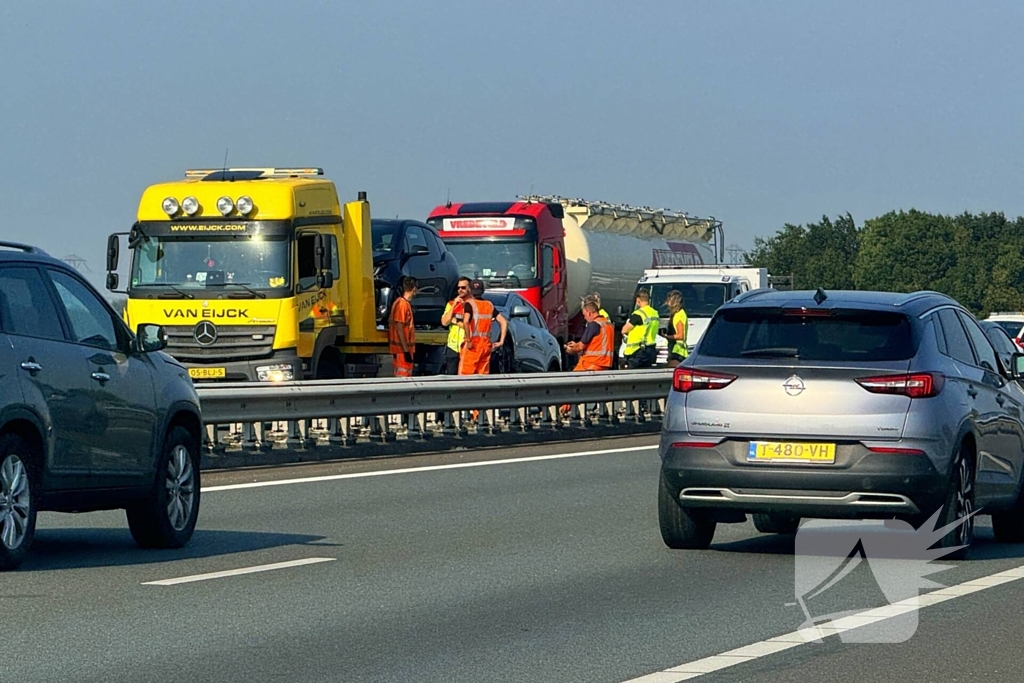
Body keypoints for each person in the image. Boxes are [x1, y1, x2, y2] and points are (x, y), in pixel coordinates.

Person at [457, 279, 508, 375]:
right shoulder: (489, 305)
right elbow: (503, 322)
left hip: (472, 345)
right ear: (483, 291)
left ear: (470, 290)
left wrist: (468, 340)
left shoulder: (469, 303)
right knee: (483, 376)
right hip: (485, 345)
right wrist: (501, 341)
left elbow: (466, 321)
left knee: (465, 376)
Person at [566, 302, 615, 372]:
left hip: (590, 364)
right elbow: (599, 343)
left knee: (572, 378)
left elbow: (581, 346)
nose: (584, 318)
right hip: (605, 364)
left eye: (584, 315)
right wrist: (576, 344)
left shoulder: (593, 324)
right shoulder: (608, 325)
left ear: (589, 313)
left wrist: (571, 349)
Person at [620, 288, 659, 369]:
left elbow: (624, 330)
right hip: (650, 350)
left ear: (638, 300)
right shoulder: (655, 313)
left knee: (632, 375)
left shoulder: (638, 314)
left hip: (637, 351)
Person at [440, 277, 471, 375]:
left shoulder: (473, 305)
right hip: (452, 347)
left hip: (466, 346)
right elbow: (444, 322)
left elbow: (471, 326)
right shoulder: (451, 304)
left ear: (469, 289)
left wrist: (456, 322)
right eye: (458, 288)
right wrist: (454, 306)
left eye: (463, 288)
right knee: (451, 376)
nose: (460, 290)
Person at [388, 276, 417, 378]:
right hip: (401, 351)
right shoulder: (402, 305)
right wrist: (406, 351)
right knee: (403, 376)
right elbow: (399, 328)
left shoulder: (401, 303)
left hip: (401, 350)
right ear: (414, 289)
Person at [662, 289, 689, 368]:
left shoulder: (679, 315)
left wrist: (666, 336)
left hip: (677, 351)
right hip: (675, 350)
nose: (667, 303)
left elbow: (680, 335)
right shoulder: (678, 314)